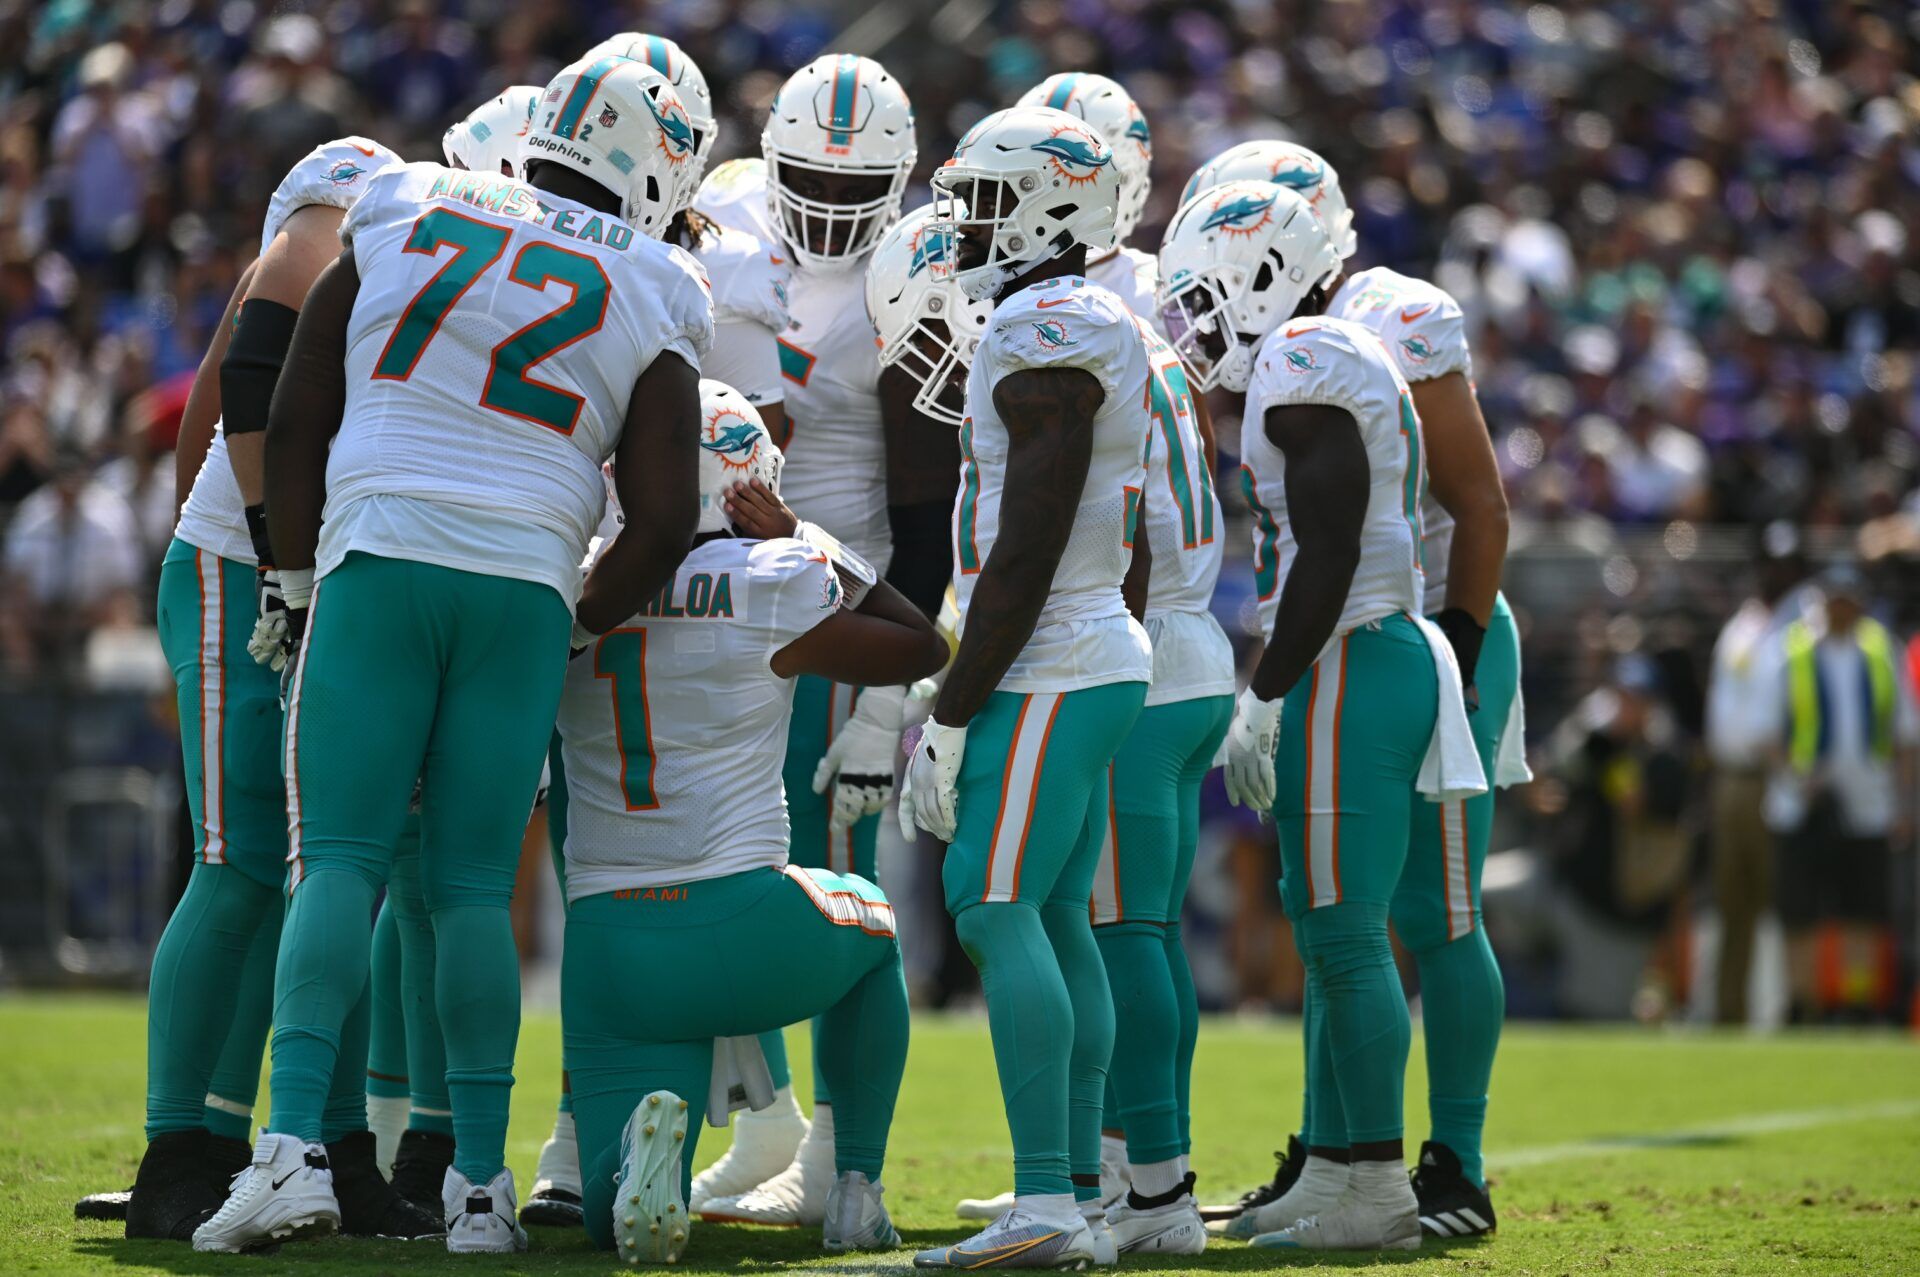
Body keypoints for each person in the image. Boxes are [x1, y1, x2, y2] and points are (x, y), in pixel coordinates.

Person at [192, 57, 711, 1254]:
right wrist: (571, 619)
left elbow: (302, 393)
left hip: (379, 549)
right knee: (476, 892)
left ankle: (291, 1153)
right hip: (524, 580)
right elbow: (668, 513)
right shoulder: (655, 277)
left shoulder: (410, 198)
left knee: (338, 867)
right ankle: (480, 1186)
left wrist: (290, 567)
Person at [479, 36, 798, 1231]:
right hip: (608, 577)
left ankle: (561, 1138)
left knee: (580, 866)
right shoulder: (674, 273)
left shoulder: (688, 274)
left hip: (607, 578)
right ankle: (607, 1130)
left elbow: (726, 462)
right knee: (604, 862)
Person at [1185, 139, 1523, 1241]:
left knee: (1435, 913)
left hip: (1424, 628)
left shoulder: (1393, 314)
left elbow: (1480, 509)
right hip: (1358, 637)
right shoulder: (1290, 345)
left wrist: (1458, 659)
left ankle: (1453, 1160)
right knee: (1338, 907)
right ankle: (1332, 1150)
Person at [125, 136, 441, 1245]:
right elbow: (241, 366)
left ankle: (329, 1143)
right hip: (255, 563)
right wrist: (261, 548)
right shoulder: (358, 196)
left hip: (333, 562)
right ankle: (181, 1151)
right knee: (241, 858)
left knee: (328, 870)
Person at [553, 380, 944, 1261]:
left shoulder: (575, 589)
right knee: (874, 933)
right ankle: (853, 1184)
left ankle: (636, 1162)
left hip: (609, 943)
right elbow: (921, 644)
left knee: (607, 1214)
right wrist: (805, 535)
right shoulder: (771, 576)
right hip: (739, 920)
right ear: (748, 476)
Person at [901, 103, 1152, 1270]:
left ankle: (1051, 1198)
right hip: (1083, 650)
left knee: (995, 908)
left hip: (1052, 656)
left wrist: (953, 705)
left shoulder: (1050, 322)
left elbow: (1033, 539)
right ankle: (1083, 1188)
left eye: (984, 198)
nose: (964, 222)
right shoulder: (1069, 315)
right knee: (1053, 916)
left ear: (1052, 201)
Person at [693, 52, 924, 1227]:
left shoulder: (923, 259)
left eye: (860, 188)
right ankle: (766, 1110)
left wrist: (890, 700)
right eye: (810, 182)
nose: (833, 209)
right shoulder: (724, 204)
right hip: (714, 592)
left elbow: (934, 495)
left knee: (846, 889)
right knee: (698, 866)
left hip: (840, 596)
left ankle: (851, 1164)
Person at [1764, 563, 1918, 1022]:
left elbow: (1905, 735)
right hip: (1802, 805)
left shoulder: (1880, 650)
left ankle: (1855, 1003)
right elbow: (1766, 734)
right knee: (1800, 913)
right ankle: (1803, 1004)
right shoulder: (1792, 651)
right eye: (1834, 601)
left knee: (1862, 912)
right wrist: (1795, 778)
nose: (1841, 611)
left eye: (1849, 601)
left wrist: (1904, 801)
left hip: (1869, 804)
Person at [1703, 522, 1811, 1024]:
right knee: (1733, 903)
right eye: (1770, 562)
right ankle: (1730, 1012)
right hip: (1730, 777)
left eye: (1785, 565)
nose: (1776, 573)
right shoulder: (1743, 622)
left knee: (1784, 899)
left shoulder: (1805, 625)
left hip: (1776, 777)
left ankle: (1796, 1009)